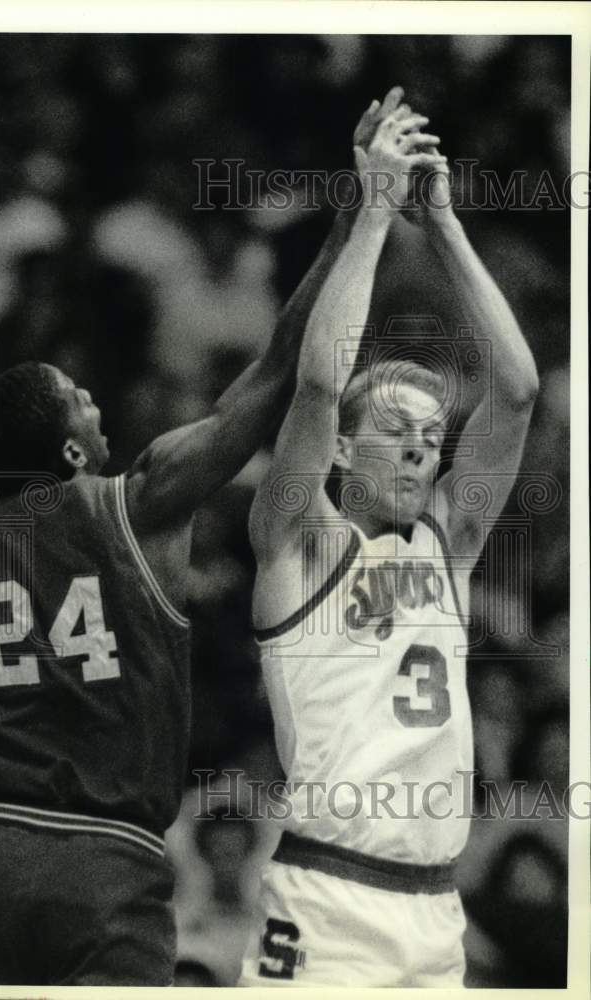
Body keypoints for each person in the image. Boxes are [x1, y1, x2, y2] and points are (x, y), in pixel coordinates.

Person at [0, 90, 409, 987]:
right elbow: (272, 374)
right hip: (101, 858)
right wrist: (354, 217)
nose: (98, 397)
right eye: (81, 395)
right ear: (71, 445)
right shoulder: (137, 499)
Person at [238, 99, 539, 987]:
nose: (421, 446)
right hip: (329, 897)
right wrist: (375, 208)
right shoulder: (298, 541)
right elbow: (322, 379)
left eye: (431, 435)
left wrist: (441, 222)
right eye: (397, 430)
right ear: (340, 450)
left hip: (437, 906)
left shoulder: (445, 549)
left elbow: (516, 389)